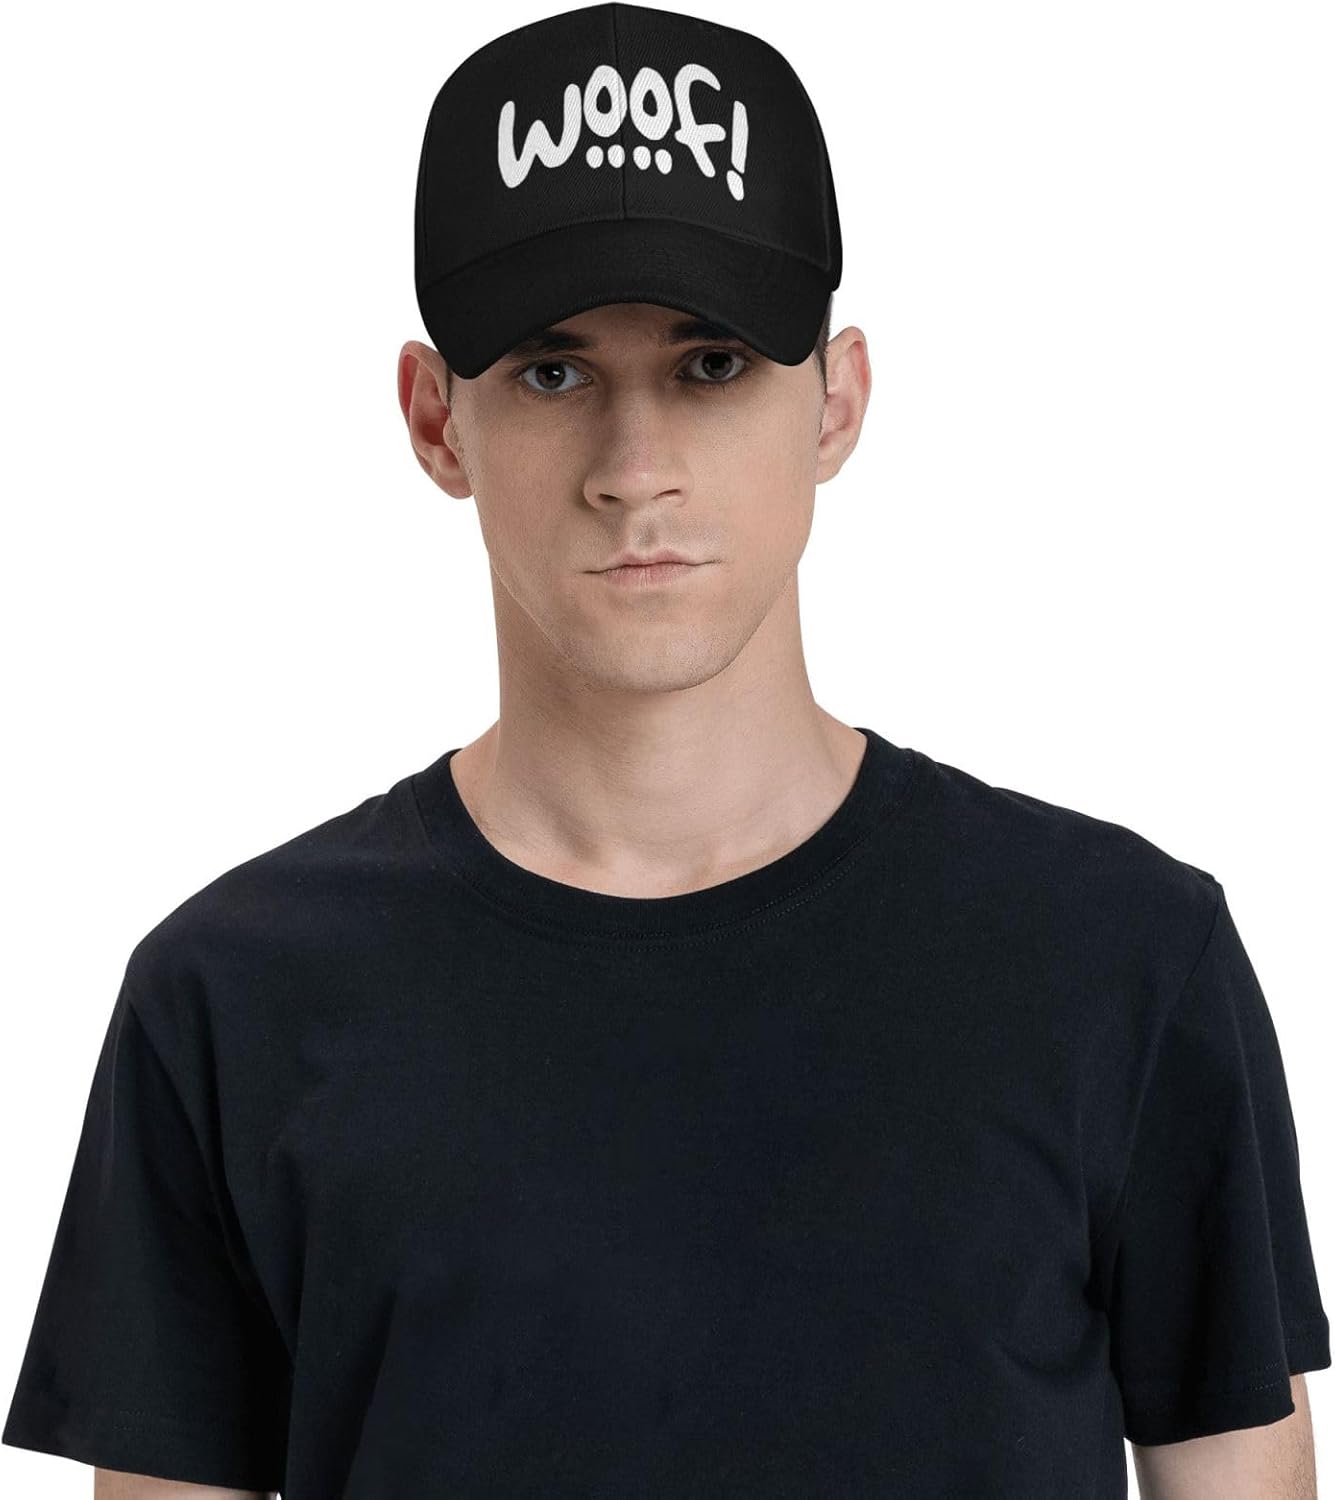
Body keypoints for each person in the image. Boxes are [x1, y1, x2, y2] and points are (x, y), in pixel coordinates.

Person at [3, 4, 1328, 1496]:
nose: (636, 473)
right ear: (435, 421)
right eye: (552, 373)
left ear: (836, 402)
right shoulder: (231, 1001)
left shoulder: (1121, 960)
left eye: (710, 364)